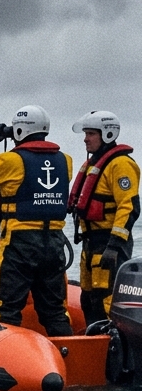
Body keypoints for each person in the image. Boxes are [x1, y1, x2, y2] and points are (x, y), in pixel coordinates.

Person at [0, 104, 73, 335]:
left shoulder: (12, 161)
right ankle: (71, 359)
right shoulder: (66, 161)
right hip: (54, 243)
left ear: (20, 130)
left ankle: (6, 360)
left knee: (7, 307)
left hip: (19, 243)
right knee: (54, 310)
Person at [68, 110, 140, 325]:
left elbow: (129, 207)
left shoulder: (121, 165)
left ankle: (115, 348)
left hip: (109, 245)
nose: (85, 138)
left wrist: (114, 245)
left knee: (106, 299)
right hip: (90, 244)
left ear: (107, 134)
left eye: (91, 133)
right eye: (86, 133)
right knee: (88, 299)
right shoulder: (92, 165)